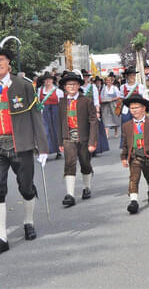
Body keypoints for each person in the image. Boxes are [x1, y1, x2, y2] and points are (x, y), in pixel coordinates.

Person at [0, 43, 48, 257]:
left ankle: (28, 222)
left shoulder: (24, 85)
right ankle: (2, 238)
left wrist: (42, 148)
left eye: (1, 60)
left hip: (22, 146)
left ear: (8, 63)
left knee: (26, 188)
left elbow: (36, 116)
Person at [57, 72, 98, 207]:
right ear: (64, 87)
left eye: (74, 84)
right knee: (69, 164)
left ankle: (87, 187)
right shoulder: (62, 102)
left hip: (84, 138)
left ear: (79, 85)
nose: (71, 86)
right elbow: (59, 122)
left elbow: (93, 121)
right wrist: (60, 141)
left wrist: (92, 141)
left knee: (85, 164)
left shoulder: (86, 101)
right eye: (68, 84)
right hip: (68, 138)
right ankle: (70, 194)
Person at [121, 94, 149, 214]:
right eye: (131, 108)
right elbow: (124, 144)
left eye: (136, 108)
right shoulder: (126, 126)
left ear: (143, 108)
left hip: (148, 156)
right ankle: (133, 201)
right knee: (134, 178)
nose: (134, 110)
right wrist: (123, 157)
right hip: (134, 156)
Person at [37, 71, 64, 159]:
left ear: (52, 81)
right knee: (45, 132)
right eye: (46, 80)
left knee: (56, 131)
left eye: (49, 79)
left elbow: (61, 105)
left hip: (55, 113)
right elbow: (38, 102)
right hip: (44, 113)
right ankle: (45, 152)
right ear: (43, 81)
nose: (48, 81)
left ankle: (58, 151)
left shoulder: (59, 91)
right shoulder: (39, 90)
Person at [118, 66, 146, 149]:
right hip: (126, 109)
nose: (132, 77)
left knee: (138, 126)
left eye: (133, 75)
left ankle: (140, 143)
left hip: (137, 108)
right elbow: (121, 98)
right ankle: (127, 144)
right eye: (130, 75)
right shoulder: (122, 87)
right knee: (126, 126)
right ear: (127, 76)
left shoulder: (140, 86)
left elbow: (143, 98)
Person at [93, 76, 109, 155]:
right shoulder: (79, 88)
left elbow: (96, 100)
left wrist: (97, 111)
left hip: (92, 110)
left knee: (95, 129)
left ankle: (96, 148)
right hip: (82, 111)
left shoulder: (92, 87)